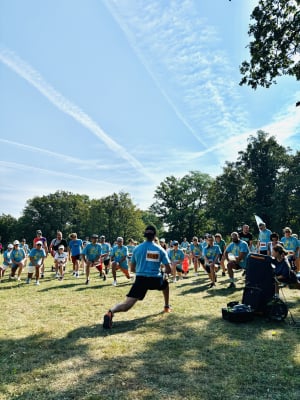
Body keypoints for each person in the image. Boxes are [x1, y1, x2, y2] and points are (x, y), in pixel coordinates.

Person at [103, 225, 172, 329]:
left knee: (127, 305)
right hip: (155, 279)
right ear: (155, 236)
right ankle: (166, 306)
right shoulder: (160, 249)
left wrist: (141, 270)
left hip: (140, 279)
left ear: (145, 235)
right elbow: (169, 269)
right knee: (165, 283)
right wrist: (163, 273)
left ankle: (110, 312)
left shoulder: (137, 249)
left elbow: (132, 269)